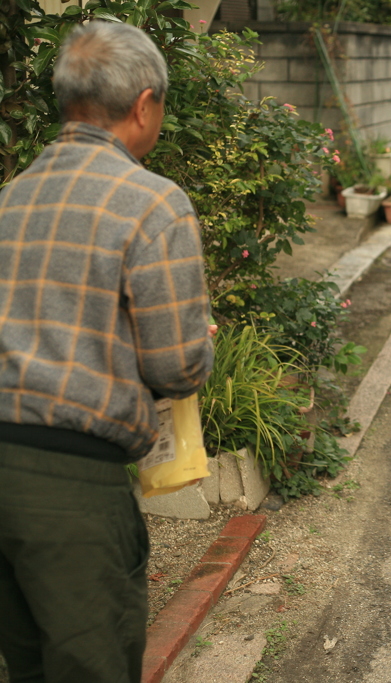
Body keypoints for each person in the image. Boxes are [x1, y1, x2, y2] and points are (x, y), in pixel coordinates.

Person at [0, 21, 214, 683]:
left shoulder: (9, 199)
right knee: (90, 665)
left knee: (26, 661)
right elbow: (175, 365)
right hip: (72, 482)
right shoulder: (153, 204)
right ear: (145, 105)